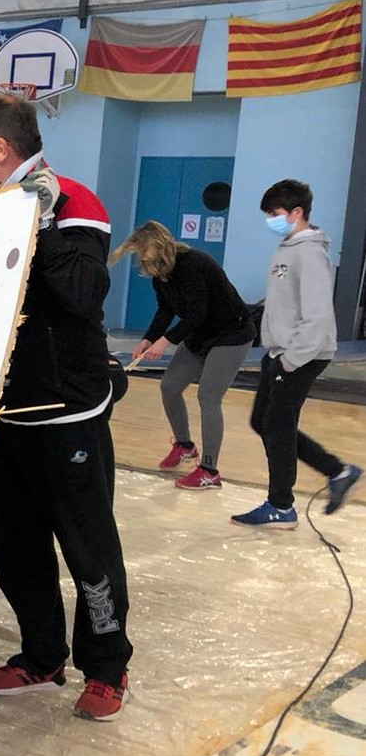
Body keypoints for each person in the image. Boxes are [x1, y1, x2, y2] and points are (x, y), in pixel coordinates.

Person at [0, 94, 131, 721]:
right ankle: (42, 657)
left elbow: (83, 294)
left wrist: (37, 221)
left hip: (65, 410)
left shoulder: (72, 203)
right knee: (14, 548)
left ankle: (107, 667)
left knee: (87, 547)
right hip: (0, 411)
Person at [231, 180, 361, 527]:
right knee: (263, 421)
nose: (270, 220)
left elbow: (317, 315)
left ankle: (281, 505)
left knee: (277, 425)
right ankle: (339, 471)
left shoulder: (310, 253)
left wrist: (291, 360)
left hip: (303, 353)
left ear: (296, 212)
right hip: (280, 350)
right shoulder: (286, 248)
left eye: (274, 214)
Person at [108, 221, 254, 491]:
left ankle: (209, 471)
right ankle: (185, 445)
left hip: (230, 333)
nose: (141, 260)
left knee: (208, 396)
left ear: (157, 247)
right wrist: (148, 338)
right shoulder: (161, 275)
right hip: (200, 335)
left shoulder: (192, 264)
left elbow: (197, 313)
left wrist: (165, 341)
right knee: (170, 386)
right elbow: (165, 310)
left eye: (143, 253)